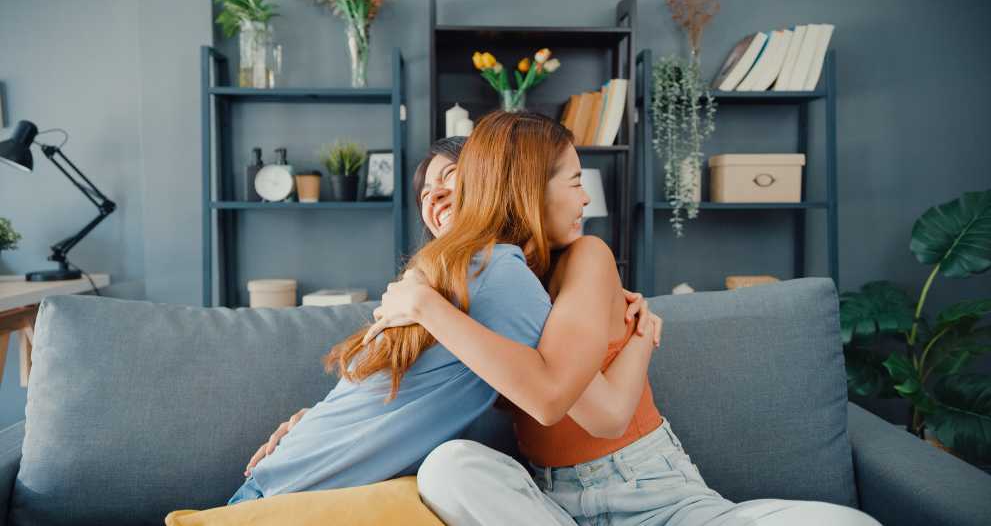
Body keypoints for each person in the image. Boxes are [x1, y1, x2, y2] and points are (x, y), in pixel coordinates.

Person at [361, 111, 882, 526]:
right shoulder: (464, 294)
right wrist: (299, 428)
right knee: (448, 467)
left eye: (450, 184)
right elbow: (382, 393)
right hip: (549, 504)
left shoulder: (586, 255)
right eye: (573, 181)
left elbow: (595, 413)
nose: (587, 195)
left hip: (651, 494)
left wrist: (640, 339)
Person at [230, 119, 659, 505]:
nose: (433, 197)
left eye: (449, 178)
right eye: (424, 192)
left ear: (491, 181)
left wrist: (608, 296)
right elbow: (579, 405)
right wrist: (646, 329)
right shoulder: (477, 275)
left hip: (285, 487)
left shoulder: (478, 276)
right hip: (290, 493)